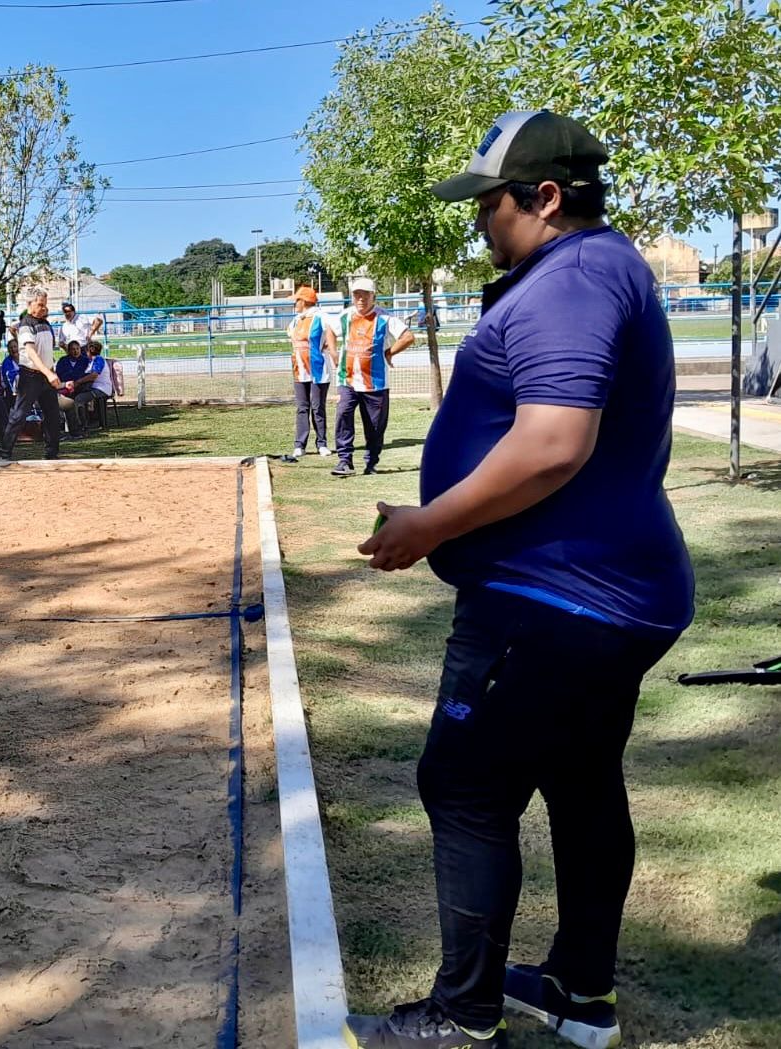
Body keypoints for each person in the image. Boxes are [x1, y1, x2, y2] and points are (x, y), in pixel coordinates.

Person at [344, 111, 696, 1049]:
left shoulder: (572, 280)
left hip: (556, 597)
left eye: (488, 206)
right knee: (582, 781)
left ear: (543, 197)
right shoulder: (597, 269)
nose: (478, 225)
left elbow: (550, 444)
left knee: (463, 786)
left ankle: (461, 1019)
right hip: (601, 589)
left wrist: (425, 524)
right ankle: (581, 992)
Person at [330, 276, 414, 477]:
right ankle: (344, 461)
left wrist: (389, 352)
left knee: (375, 426)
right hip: (347, 379)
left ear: (373, 296)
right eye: (357, 295)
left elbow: (408, 336)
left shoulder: (385, 318)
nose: (360, 299)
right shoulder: (345, 316)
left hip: (375, 383)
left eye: (365, 295)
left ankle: (371, 462)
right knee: (343, 415)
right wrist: (333, 352)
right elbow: (330, 332)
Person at [0, 289, 64, 460]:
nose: (44, 308)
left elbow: (47, 351)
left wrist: (51, 372)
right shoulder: (26, 325)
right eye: (40, 304)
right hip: (31, 376)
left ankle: (52, 453)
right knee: (19, 414)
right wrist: (48, 373)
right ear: (30, 304)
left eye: (45, 304)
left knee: (53, 415)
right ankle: (4, 453)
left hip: (46, 375)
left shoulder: (46, 323)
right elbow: (31, 352)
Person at [283, 285, 336, 462]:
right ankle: (300, 445)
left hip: (318, 371)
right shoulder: (297, 319)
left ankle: (322, 443)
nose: (294, 304)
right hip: (299, 371)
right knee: (302, 407)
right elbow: (289, 333)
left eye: (296, 301)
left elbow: (335, 331)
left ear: (304, 301)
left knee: (317, 407)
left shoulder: (321, 317)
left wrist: (330, 345)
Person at [54, 339, 95, 440]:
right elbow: (59, 375)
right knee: (60, 401)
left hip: (80, 387)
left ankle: (81, 427)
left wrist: (76, 382)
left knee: (78, 400)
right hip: (64, 387)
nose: (75, 351)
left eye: (77, 349)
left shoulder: (85, 361)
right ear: (69, 350)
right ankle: (62, 429)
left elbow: (87, 375)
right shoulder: (63, 361)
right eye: (73, 349)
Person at [73, 341, 113, 430]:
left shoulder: (98, 360)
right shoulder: (90, 361)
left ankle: (83, 424)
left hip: (101, 389)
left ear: (91, 350)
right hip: (93, 388)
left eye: (85, 351)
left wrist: (79, 381)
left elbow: (94, 375)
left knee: (79, 399)